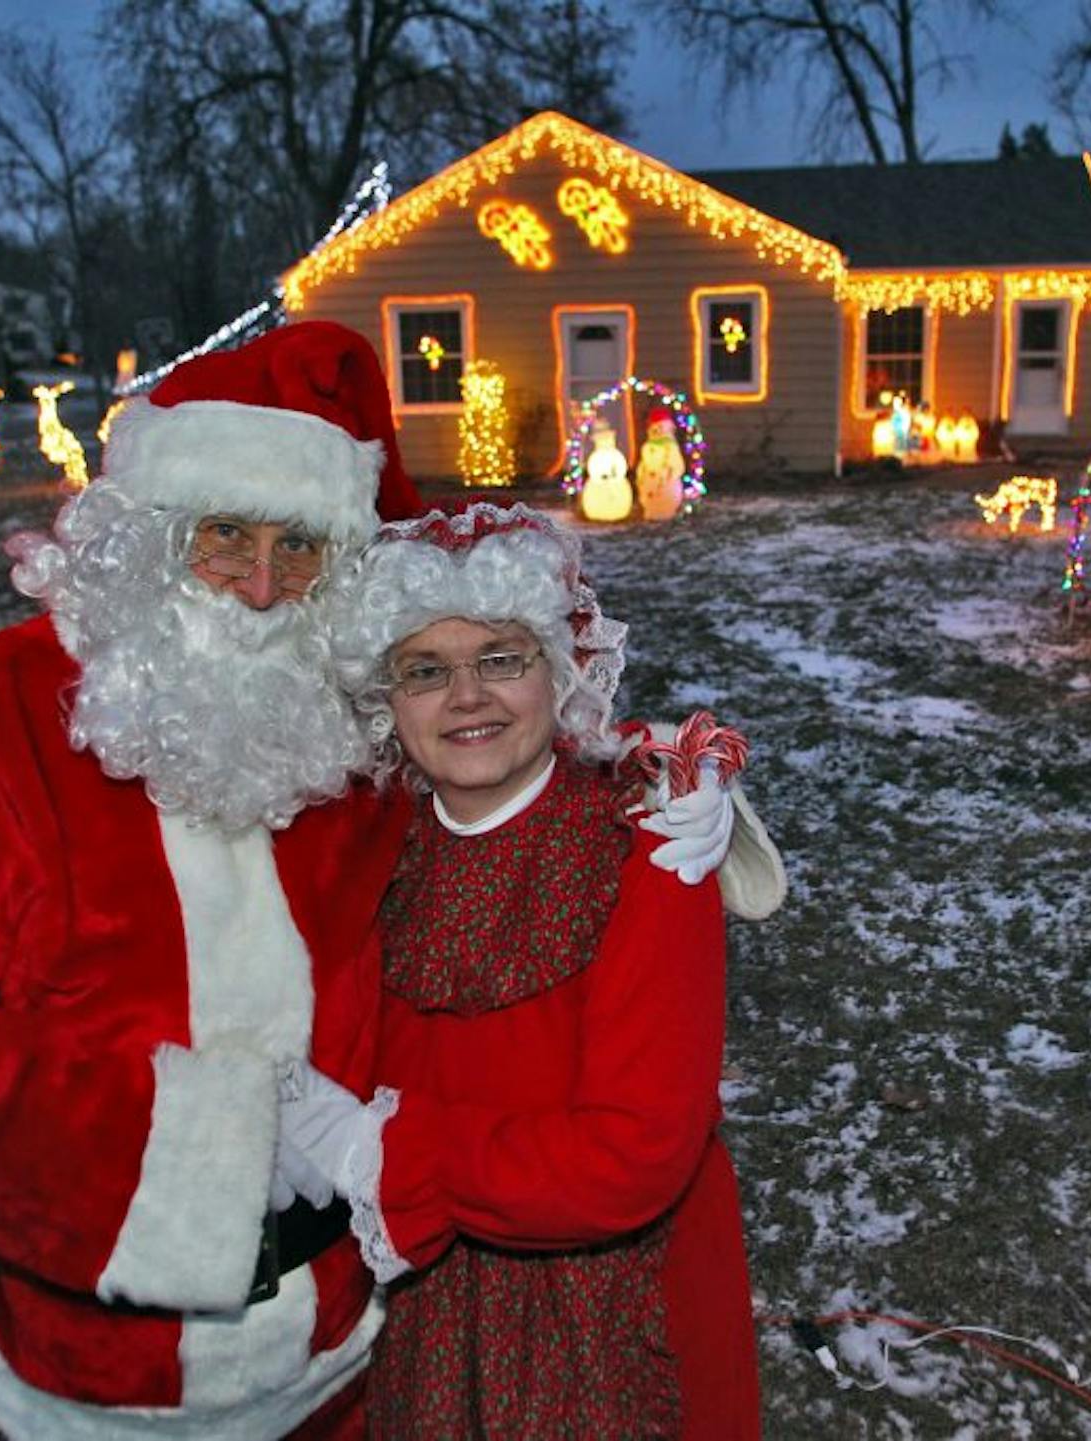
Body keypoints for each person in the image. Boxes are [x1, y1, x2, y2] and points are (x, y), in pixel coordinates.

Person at [0, 324, 765, 1438]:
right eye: (224, 534)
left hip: (348, 1352)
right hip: (82, 1375)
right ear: (147, 535)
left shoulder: (343, 717)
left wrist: (668, 770)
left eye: (303, 548)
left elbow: (501, 726)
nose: (259, 585)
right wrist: (202, 1144)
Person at [275, 503, 763, 1437]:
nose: (467, 697)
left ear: (560, 674)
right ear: (385, 699)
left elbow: (633, 1156)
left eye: (501, 657)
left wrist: (382, 1154)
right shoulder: (377, 851)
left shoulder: (647, 849)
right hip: (424, 1296)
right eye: (426, 669)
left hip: (610, 1309)